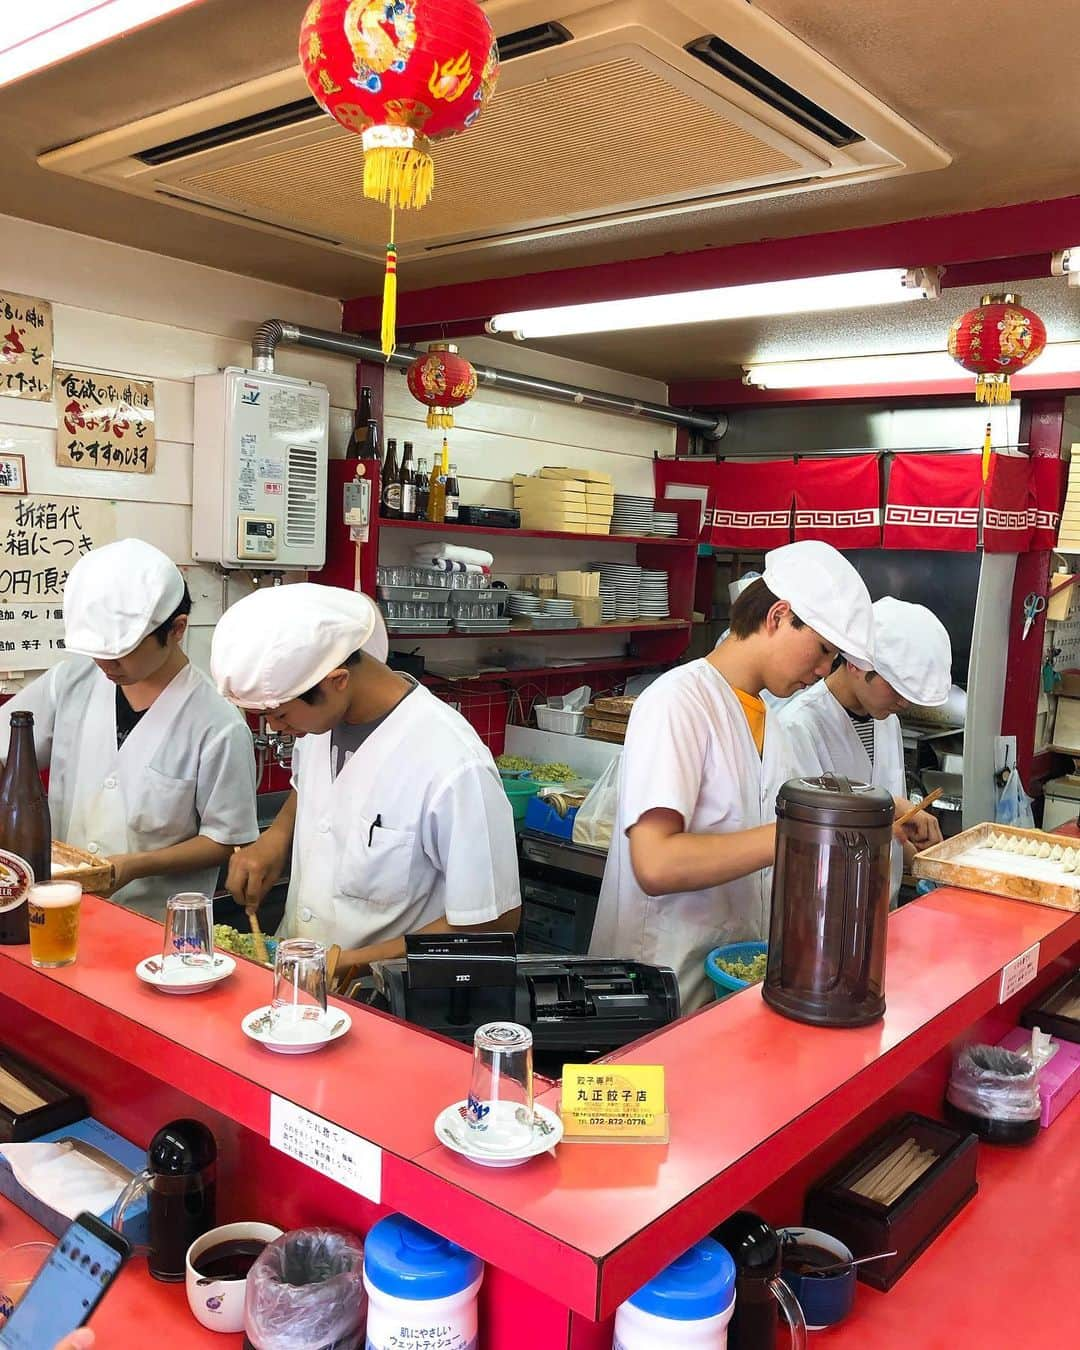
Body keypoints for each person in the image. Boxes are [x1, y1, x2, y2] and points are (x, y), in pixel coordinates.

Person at [588, 540, 877, 1013]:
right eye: (823, 651)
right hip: (658, 990)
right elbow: (655, 863)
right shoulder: (678, 702)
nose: (824, 671)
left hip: (730, 987)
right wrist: (797, 834)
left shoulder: (771, 724)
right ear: (778, 616)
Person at [211, 584, 521, 976]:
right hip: (300, 980)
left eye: (281, 716)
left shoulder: (452, 765)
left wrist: (348, 965)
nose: (275, 728)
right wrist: (275, 839)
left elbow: (492, 921)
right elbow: (315, 789)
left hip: (385, 1000)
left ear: (337, 679)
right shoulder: (323, 724)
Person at [0, 539, 259, 919]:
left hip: (155, 923)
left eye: (122, 651)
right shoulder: (71, 681)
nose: (106, 664)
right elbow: (6, 751)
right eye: (98, 650)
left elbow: (224, 839)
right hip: (56, 907)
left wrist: (133, 865)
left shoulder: (218, 724)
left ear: (176, 629)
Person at [778, 596, 950, 903]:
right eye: (896, 688)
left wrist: (919, 857)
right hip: (825, 909)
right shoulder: (799, 725)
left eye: (910, 694)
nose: (903, 702)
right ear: (857, 664)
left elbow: (888, 827)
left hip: (882, 905)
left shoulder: (886, 720)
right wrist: (881, 808)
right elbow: (802, 837)